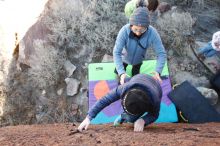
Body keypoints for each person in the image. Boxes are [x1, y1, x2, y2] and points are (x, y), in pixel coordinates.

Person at [78, 74, 162, 132]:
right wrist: (89, 117)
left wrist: (143, 120)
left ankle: (130, 117)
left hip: (156, 87)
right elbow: (104, 100)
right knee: (130, 118)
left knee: (133, 119)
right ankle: (124, 116)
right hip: (138, 78)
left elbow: (155, 114)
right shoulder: (124, 88)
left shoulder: (155, 100)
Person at [113, 7, 167, 85]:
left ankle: (134, 79)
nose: (138, 33)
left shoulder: (152, 33)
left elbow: (161, 53)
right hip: (124, 58)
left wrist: (158, 71)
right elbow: (116, 52)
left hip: (138, 60)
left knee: (136, 75)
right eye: (135, 29)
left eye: (142, 30)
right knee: (120, 73)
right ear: (131, 25)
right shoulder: (124, 31)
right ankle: (120, 77)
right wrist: (121, 72)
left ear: (147, 27)